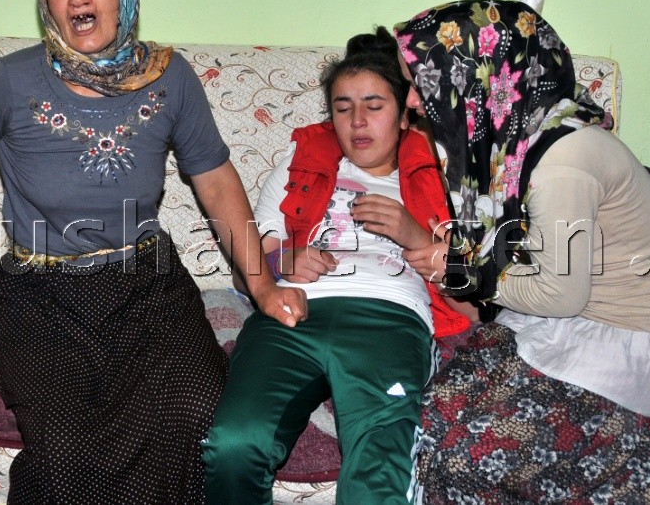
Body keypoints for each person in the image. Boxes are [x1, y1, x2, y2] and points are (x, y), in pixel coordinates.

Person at [0, 0, 304, 505]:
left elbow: (214, 180)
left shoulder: (170, 77)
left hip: (149, 286)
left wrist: (260, 283)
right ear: (47, 3)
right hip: (38, 295)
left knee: (197, 412)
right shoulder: (7, 83)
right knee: (65, 452)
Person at [394, 0, 650, 504]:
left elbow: (560, 294)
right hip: (562, 319)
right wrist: (462, 267)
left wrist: (464, 268)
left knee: (466, 456)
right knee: (429, 418)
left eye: (420, 83)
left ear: (474, 79)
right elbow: (504, 284)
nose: (410, 101)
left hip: (631, 341)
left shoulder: (562, 162)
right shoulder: (511, 144)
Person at [202, 27, 474, 504]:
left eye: (374, 105)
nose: (358, 122)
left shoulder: (441, 171)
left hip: (389, 318)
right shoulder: (303, 159)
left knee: (380, 471)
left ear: (404, 114)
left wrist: (414, 234)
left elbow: (476, 297)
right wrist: (283, 260)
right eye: (343, 108)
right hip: (292, 310)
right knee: (234, 444)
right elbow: (248, 267)